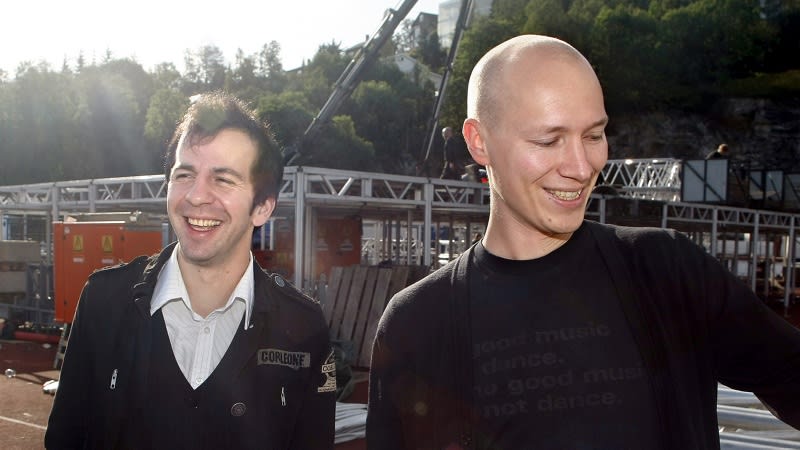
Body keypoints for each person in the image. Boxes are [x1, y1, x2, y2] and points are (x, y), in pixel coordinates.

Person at [367, 35, 800, 449]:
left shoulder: (666, 271)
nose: (582, 166)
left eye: (594, 135)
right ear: (479, 143)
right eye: (548, 140)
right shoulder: (416, 324)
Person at [46, 92, 336, 449]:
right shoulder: (103, 302)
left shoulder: (303, 326)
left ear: (262, 207)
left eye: (223, 179)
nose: (197, 196)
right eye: (184, 175)